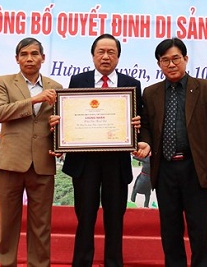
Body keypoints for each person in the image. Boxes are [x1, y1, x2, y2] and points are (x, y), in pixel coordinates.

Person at [50, 34, 146, 267]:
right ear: (93, 55)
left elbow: (141, 122)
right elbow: (71, 116)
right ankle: (82, 262)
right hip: (85, 162)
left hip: (117, 162)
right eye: (100, 52)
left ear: (118, 56)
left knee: (115, 219)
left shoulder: (131, 83)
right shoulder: (78, 80)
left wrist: (137, 127)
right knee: (85, 218)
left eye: (111, 52)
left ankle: (114, 263)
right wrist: (60, 129)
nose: (105, 57)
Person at [138, 37, 207, 267]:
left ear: (186, 59)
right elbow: (146, 126)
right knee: (170, 229)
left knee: (200, 229)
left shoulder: (205, 88)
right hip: (165, 169)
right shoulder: (151, 92)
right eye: (164, 60)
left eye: (175, 58)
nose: (171, 64)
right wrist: (145, 142)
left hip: (195, 169)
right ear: (159, 64)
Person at [0, 37, 62, 267]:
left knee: (41, 224)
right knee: (8, 222)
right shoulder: (3, 82)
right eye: (24, 54)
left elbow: (62, 125)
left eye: (34, 54)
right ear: (17, 59)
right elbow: (0, 112)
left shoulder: (57, 88)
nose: (29, 58)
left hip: (43, 163)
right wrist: (35, 99)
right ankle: (6, 263)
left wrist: (60, 139)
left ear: (43, 58)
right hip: (11, 162)